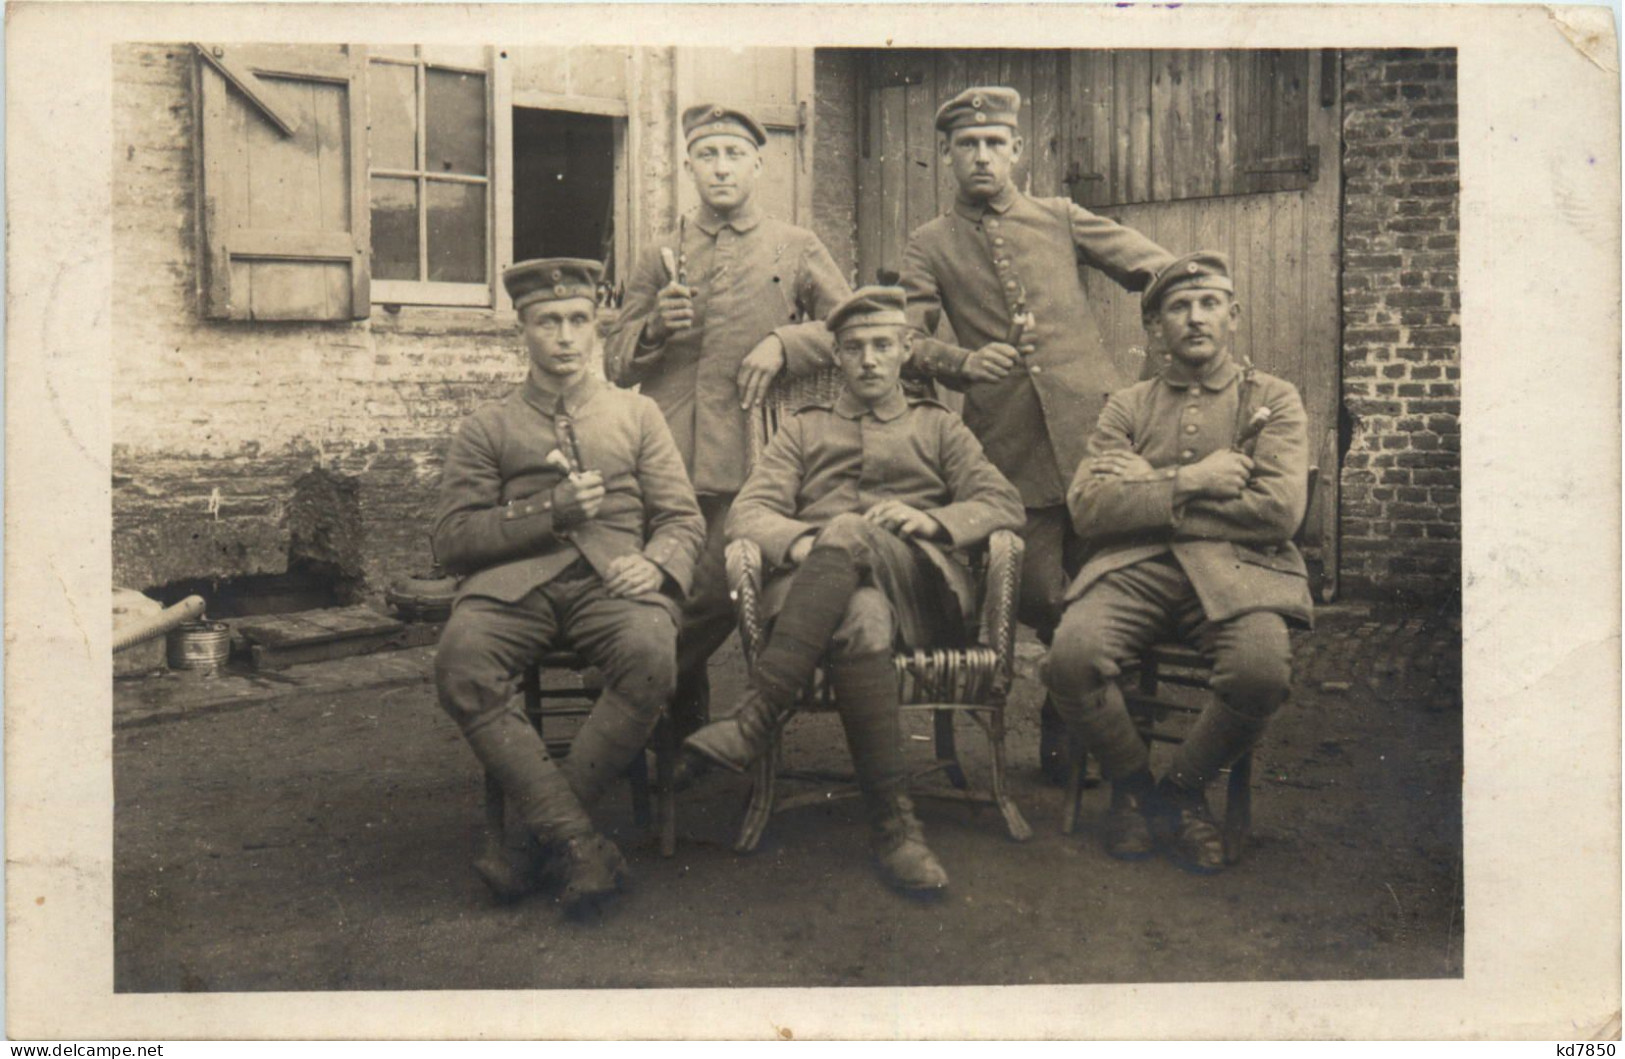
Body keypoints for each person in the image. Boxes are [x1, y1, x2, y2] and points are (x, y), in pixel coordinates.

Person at [677, 286, 1025, 893]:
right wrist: (807, 545)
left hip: (919, 591)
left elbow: (1003, 502)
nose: (868, 359)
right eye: (855, 348)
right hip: (824, 593)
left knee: (849, 532)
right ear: (836, 356)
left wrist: (935, 522)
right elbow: (749, 514)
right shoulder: (803, 431)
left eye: (882, 346)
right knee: (859, 612)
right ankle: (895, 827)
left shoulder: (937, 427)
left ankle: (758, 712)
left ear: (905, 351)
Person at [900, 85, 1178, 782]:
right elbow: (901, 336)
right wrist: (960, 363)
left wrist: (1163, 358)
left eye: (995, 143)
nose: (982, 157)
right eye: (967, 145)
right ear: (946, 156)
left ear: (1017, 151)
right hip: (1006, 445)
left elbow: (1160, 270)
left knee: (1111, 572)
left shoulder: (1058, 217)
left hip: (1100, 435)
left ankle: (1074, 729)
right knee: (1033, 589)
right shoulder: (928, 243)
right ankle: (1081, 697)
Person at [432, 258, 705, 911]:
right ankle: (580, 845)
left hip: (613, 577)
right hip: (511, 585)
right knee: (460, 662)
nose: (564, 335)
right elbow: (451, 541)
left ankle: (533, 841)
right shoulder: (487, 426)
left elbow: (682, 518)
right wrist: (548, 511)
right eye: (547, 321)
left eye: (578, 320)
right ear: (521, 331)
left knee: (649, 655)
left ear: (597, 328)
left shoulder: (637, 416)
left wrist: (659, 562)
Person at [1041, 251, 1313, 874]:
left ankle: (1182, 793)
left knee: (1261, 673)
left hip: (1240, 571)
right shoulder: (1127, 407)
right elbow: (1088, 508)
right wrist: (1192, 479)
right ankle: (1135, 791)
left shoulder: (1273, 399)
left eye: (1210, 303)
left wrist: (1151, 490)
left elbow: (1277, 512)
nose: (1195, 318)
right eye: (1178, 307)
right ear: (1155, 326)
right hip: (1134, 568)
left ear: (1234, 316)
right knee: (1070, 660)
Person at [605, 103, 852, 741]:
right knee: (665, 582)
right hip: (662, 457)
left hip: (750, 454)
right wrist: (654, 327)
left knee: (712, 587)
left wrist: (785, 343)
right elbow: (614, 363)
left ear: (758, 166)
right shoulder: (660, 253)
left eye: (733, 155)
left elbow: (855, 327)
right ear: (688, 166)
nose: (720, 168)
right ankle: (670, 732)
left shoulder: (795, 246)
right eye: (707, 155)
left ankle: (632, 690)